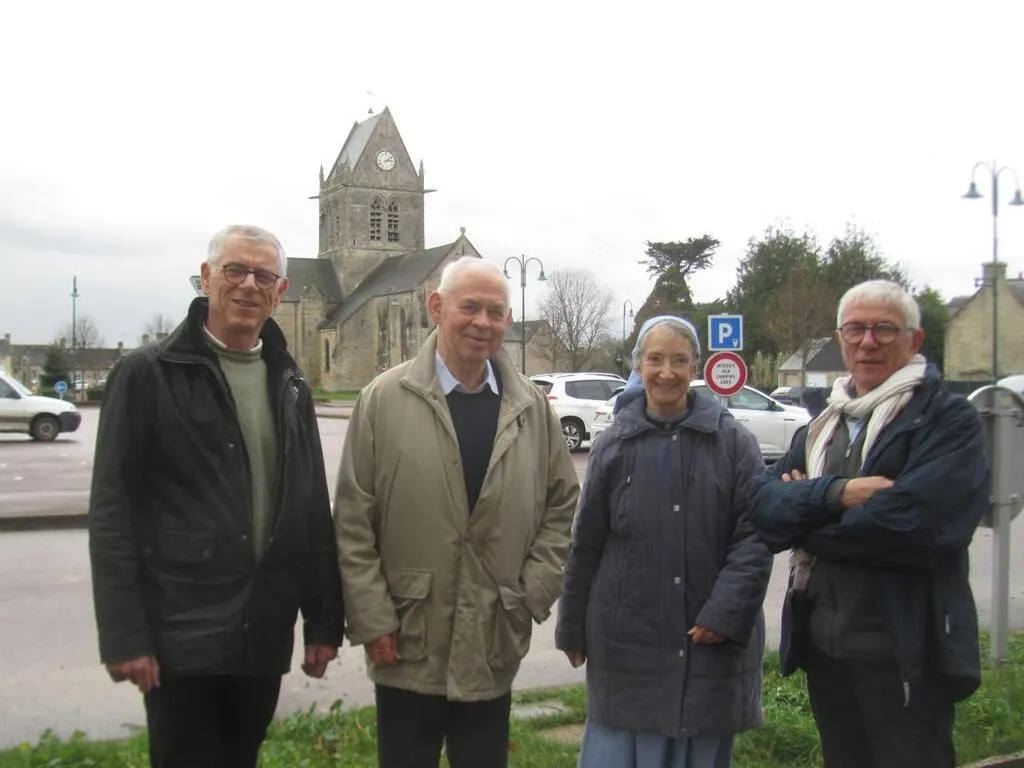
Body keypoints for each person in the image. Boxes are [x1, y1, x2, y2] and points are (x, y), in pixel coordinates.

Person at [88, 224, 344, 768]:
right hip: (182, 635)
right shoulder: (146, 375)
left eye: (264, 276)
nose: (249, 285)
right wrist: (124, 635)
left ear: (281, 291)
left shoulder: (290, 384)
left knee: (240, 758)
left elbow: (308, 510)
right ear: (207, 279)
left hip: (263, 634)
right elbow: (112, 514)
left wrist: (323, 622)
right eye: (235, 270)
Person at [334, 255, 580, 768]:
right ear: (435, 307)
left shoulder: (531, 409)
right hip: (406, 637)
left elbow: (561, 507)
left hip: (492, 635)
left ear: (508, 321)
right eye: (469, 307)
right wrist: (373, 617)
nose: (482, 322)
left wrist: (530, 592)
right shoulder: (383, 399)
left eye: (496, 311)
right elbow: (354, 519)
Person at [749, 280, 989, 768]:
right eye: (855, 329)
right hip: (825, 649)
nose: (868, 341)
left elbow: (913, 529)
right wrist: (839, 494)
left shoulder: (947, 421)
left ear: (914, 341)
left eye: (884, 329)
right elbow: (764, 508)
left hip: (905, 651)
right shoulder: (822, 426)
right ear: (840, 338)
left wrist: (807, 515)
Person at [556, 316, 772, 768]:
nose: (667, 372)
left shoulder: (733, 443)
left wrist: (725, 613)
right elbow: (587, 542)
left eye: (679, 360)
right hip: (626, 639)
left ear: (695, 368)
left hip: (708, 638)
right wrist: (572, 624)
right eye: (655, 359)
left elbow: (755, 535)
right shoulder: (613, 444)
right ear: (638, 366)